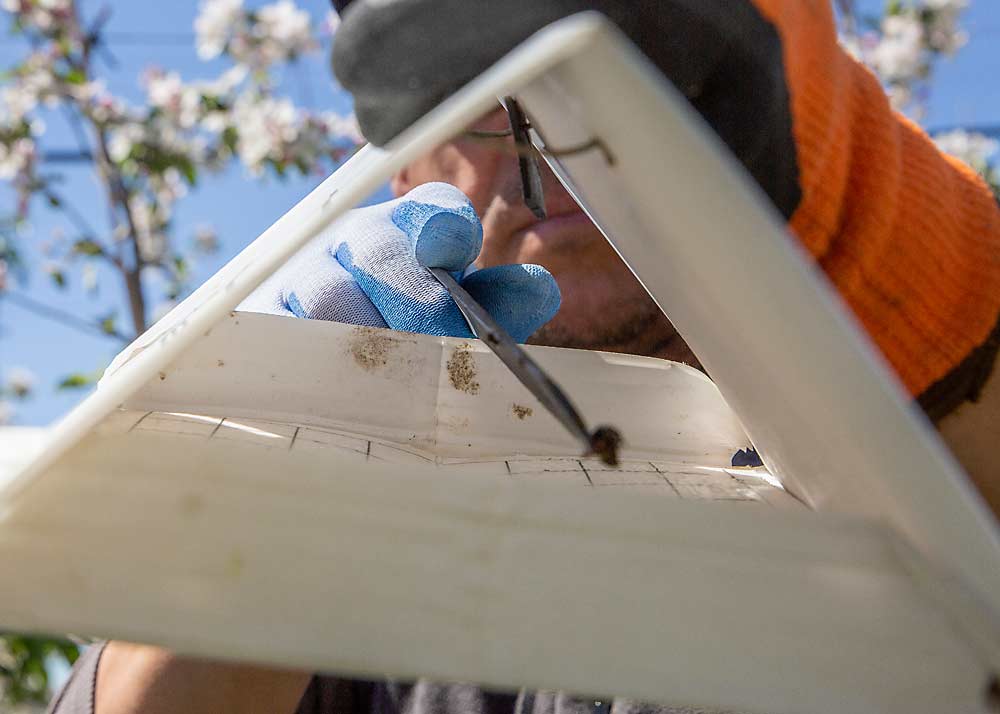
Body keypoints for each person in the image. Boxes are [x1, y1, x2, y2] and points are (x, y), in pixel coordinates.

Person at [47, 1, 1000, 713]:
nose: (535, 132)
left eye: (620, 66)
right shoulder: (386, 574)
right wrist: (269, 471)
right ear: (403, 168)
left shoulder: (927, 388)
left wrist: (853, 221)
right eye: (464, 95)